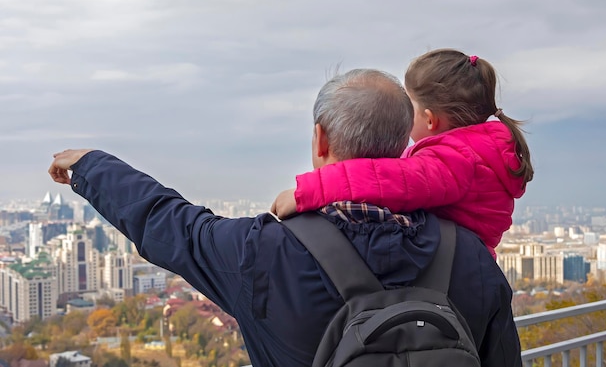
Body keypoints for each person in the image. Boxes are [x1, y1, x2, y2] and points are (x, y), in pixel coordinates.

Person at [49, 69, 522, 367]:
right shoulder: (470, 256)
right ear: (404, 147)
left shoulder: (262, 252)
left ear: (320, 140)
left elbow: (168, 223)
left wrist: (90, 164)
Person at [272, 49, 534, 258]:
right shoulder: (473, 152)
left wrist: (306, 191)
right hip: (465, 263)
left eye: (410, 106)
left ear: (430, 120)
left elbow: (386, 180)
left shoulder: (453, 161)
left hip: (452, 265)